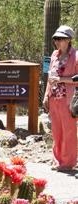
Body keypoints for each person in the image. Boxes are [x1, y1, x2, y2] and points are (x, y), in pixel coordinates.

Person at [43, 25, 78, 173]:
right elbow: (50, 77)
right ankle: (57, 160)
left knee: (68, 130)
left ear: (69, 40)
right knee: (56, 130)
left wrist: (61, 79)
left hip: (68, 99)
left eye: (61, 39)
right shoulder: (54, 55)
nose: (57, 41)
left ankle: (68, 163)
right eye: (56, 39)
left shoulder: (76, 56)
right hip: (54, 99)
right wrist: (46, 95)